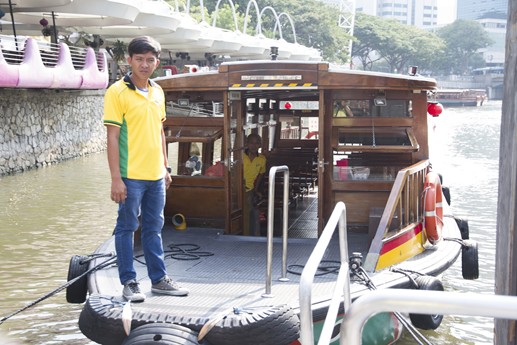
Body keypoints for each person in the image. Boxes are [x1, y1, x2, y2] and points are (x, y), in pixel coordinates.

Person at [104, 36, 189, 302]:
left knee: (154, 228)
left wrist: (165, 166)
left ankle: (159, 279)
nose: (144, 64)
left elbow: (160, 132)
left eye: (150, 60)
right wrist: (116, 179)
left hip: (155, 176)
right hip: (130, 176)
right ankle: (129, 282)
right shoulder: (116, 92)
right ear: (129, 60)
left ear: (157, 63)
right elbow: (112, 137)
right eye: (139, 59)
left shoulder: (157, 91)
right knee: (127, 227)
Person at [243, 133, 266, 236]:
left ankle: (249, 237)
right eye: (251, 143)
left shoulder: (262, 160)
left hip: (250, 189)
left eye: (257, 143)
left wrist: (256, 190)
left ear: (260, 145)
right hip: (237, 189)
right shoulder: (240, 157)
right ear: (247, 144)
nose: (254, 146)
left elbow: (260, 176)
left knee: (250, 214)